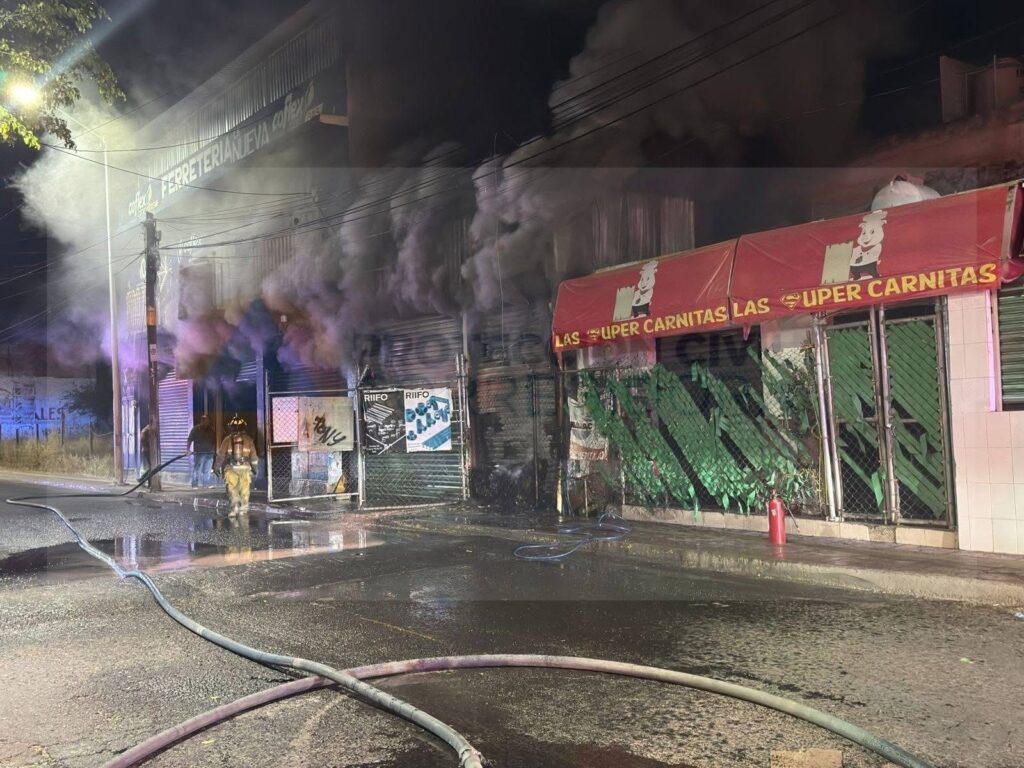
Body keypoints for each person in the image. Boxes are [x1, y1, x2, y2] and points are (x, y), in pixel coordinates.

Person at [213, 415, 259, 516]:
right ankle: (243, 510)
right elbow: (253, 456)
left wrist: (216, 467)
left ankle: (234, 509)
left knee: (232, 489)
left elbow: (221, 455)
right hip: (245, 468)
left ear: (231, 427)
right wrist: (255, 468)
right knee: (244, 490)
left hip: (231, 469)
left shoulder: (226, 440)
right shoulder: (249, 440)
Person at [186, 414, 216, 488]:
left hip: (209, 453)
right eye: (204, 421)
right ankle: (194, 484)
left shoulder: (211, 430)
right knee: (197, 468)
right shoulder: (196, 429)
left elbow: (214, 441)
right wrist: (188, 450)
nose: (206, 422)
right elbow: (190, 439)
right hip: (199, 453)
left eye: (207, 421)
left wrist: (213, 450)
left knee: (207, 469)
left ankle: (206, 483)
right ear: (201, 421)